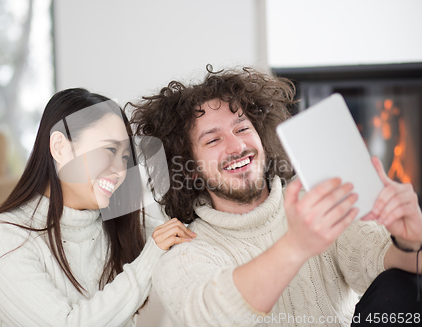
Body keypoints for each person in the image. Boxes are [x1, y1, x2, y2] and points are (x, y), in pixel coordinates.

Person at [129, 66, 422, 326]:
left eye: (242, 128)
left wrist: (411, 239)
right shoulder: (184, 252)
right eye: (214, 139)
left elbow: (384, 261)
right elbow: (210, 316)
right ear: (190, 169)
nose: (237, 146)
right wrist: (295, 246)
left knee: (405, 284)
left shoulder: (316, 200)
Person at [0, 88, 196, 327]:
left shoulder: (122, 225)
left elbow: (192, 236)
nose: (120, 170)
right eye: (110, 150)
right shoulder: (1, 240)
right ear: (60, 147)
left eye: (125, 158)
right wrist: (149, 258)